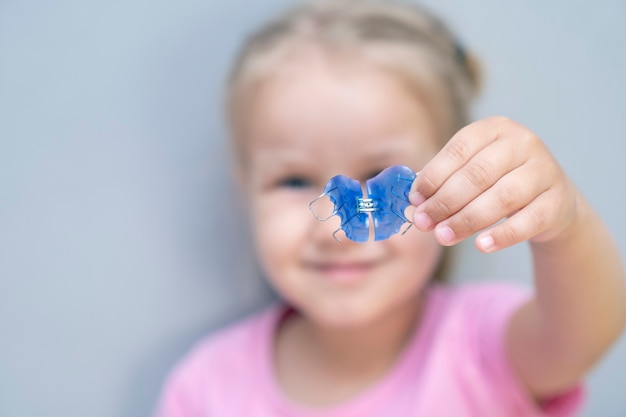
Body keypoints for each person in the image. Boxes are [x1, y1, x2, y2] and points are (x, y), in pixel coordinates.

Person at [154, 0, 626, 415]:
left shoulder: (483, 346)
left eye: (379, 175)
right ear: (246, 187)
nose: (335, 229)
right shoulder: (206, 388)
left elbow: (582, 338)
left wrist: (566, 225)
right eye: (294, 180)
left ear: (453, 180)